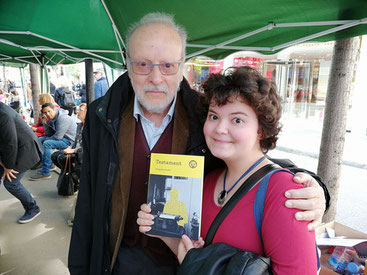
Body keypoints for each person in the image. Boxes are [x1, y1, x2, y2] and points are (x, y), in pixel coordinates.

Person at [68, 13, 329, 275]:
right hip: (115, 262)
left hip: (183, 266)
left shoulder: (202, 115)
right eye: (143, 64)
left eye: (168, 65)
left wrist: (312, 186)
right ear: (128, 63)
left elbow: (250, 159)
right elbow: (87, 201)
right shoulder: (101, 116)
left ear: (182, 66)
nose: (156, 78)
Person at [138, 67, 318, 274]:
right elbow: (195, 260)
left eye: (237, 120)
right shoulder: (208, 181)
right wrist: (163, 231)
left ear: (260, 129)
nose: (220, 128)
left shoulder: (284, 191)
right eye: (214, 117)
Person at [0, 102, 43, 223]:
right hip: (11, 149)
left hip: (24, 149)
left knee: (11, 183)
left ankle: (33, 208)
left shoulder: (3, 114)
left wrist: (8, 166)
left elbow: (10, 142)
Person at [30, 103, 77, 181]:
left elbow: (58, 137)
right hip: (62, 138)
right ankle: (50, 165)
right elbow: (49, 134)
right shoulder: (52, 118)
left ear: (54, 109)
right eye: (45, 112)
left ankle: (45, 172)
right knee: (41, 140)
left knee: (47, 143)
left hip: (70, 141)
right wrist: (45, 123)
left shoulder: (62, 118)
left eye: (49, 111)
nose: (47, 114)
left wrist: (47, 139)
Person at [51, 103, 87, 187]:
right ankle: (72, 177)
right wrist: (70, 147)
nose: (77, 112)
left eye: (81, 110)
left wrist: (73, 150)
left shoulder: (89, 127)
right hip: (75, 148)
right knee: (55, 156)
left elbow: (86, 146)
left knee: (62, 158)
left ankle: (74, 179)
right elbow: (76, 140)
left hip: (81, 152)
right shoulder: (79, 125)